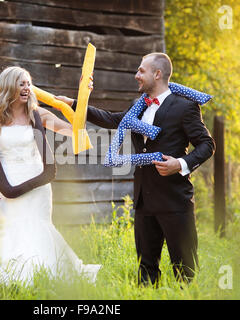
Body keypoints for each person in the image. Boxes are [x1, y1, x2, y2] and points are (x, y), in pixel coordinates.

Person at [55, 52, 215, 286]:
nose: (136, 75)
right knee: (146, 270)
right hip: (144, 200)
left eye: (141, 71)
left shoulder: (185, 107)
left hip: (175, 201)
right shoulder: (137, 107)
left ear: (157, 74)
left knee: (185, 270)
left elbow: (207, 145)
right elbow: (111, 119)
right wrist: (74, 104)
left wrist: (180, 164)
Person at [0, 66, 101, 285]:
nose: (26, 87)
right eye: (21, 83)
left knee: (37, 227)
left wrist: (81, 99)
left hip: (37, 183)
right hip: (6, 185)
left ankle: (40, 275)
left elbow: (75, 129)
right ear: (8, 86)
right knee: (8, 230)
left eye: (28, 83)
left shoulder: (39, 115)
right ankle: (7, 275)